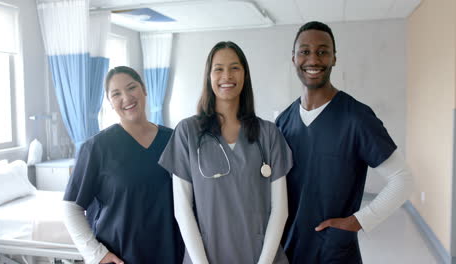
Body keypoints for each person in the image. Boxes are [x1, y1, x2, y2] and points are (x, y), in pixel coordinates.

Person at [276, 21, 414, 263]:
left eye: (322, 51)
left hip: (333, 251)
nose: (313, 59)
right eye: (305, 51)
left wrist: (358, 221)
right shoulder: (283, 122)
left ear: (334, 58)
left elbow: (402, 180)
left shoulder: (356, 117)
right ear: (293, 58)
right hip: (289, 249)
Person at [158, 41, 293, 264]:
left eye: (234, 68)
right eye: (218, 69)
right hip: (206, 256)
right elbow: (182, 211)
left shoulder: (269, 134)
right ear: (209, 77)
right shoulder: (188, 133)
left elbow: (280, 210)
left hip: (262, 256)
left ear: (245, 75)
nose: (226, 76)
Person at [62, 66, 184, 264]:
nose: (126, 98)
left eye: (131, 88)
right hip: (120, 257)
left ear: (144, 89)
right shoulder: (97, 147)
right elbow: (71, 207)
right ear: (110, 102)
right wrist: (97, 254)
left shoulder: (174, 140)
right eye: (116, 94)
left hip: (171, 254)